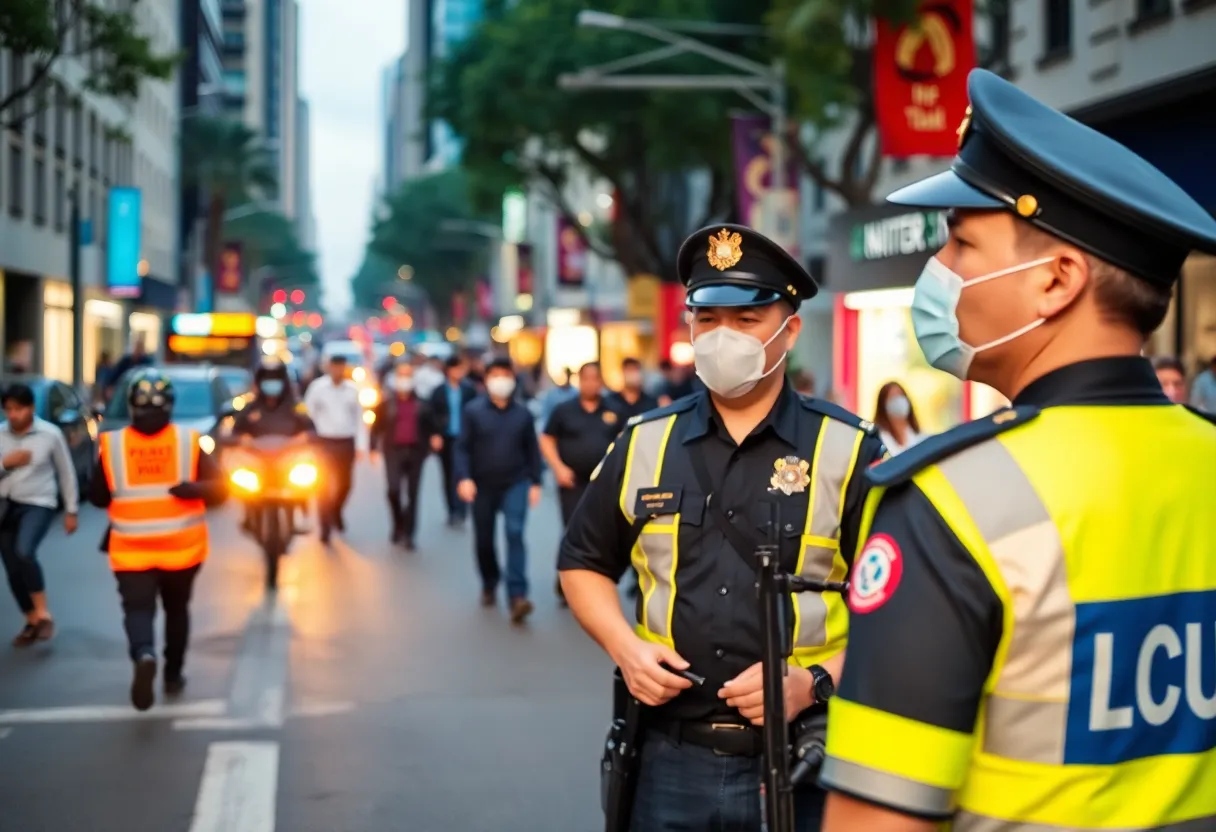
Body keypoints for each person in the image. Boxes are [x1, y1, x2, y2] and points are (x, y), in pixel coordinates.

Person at [819, 70, 1216, 832]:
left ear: (1057, 281)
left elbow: (875, 820)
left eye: (962, 242)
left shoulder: (951, 505)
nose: (940, 269)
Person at [559, 224, 887, 832]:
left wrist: (815, 683)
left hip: (805, 757)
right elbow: (583, 561)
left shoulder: (849, 450)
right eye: (707, 320)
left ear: (790, 331)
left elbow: (903, 605)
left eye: (746, 320)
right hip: (668, 758)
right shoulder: (644, 442)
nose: (722, 338)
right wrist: (625, 648)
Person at [89, 369, 227, 710]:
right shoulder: (189, 441)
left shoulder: (113, 445)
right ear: (170, 405)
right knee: (177, 610)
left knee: (138, 609)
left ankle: (144, 654)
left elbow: (97, 497)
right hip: (182, 548)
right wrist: (194, 489)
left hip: (131, 549)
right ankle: (173, 675)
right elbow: (222, 490)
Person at [455, 357, 543, 623]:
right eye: (495, 375)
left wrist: (536, 482)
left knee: (515, 533)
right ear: (486, 379)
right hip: (482, 485)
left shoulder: (523, 414)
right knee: (484, 539)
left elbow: (532, 450)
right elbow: (462, 448)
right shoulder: (473, 411)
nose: (501, 381)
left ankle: (517, 594)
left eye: (506, 375)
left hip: (516, 482)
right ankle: (489, 581)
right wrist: (464, 478)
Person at [0, 384, 79, 647]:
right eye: (8, 409)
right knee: (12, 568)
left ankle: (43, 612)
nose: (13, 415)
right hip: (5, 505)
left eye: (19, 409)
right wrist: (6, 463)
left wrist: (71, 510)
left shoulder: (50, 434)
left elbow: (66, 472)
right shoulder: (0, 434)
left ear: (31, 408)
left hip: (38, 503)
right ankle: (32, 620)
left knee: (25, 551)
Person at [540, 362, 619, 605]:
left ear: (601, 382)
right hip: (572, 482)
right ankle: (566, 579)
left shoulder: (613, 410)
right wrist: (558, 468)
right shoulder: (564, 410)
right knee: (573, 530)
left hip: (603, 484)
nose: (591, 383)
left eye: (595, 379)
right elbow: (546, 439)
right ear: (580, 381)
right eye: (586, 379)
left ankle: (592, 583)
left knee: (600, 534)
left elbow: (624, 441)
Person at [232, 357, 315, 532]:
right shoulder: (250, 409)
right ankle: (249, 516)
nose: (271, 383)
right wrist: (242, 440)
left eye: (275, 378)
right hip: (258, 463)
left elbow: (312, 430)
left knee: (306, 478)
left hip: (289, 461)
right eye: (267, 379)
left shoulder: (296, 408)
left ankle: (301, 515)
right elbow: (234, 433)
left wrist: (303, 438)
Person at [371, 361, 440, 550]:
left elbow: (432, 425)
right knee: (393, 489)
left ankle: (409, 534)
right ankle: (398, 523)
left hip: (416, 452)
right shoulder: (386, 403)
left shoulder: (423, 404)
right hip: (393, 451)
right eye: (401, 375)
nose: (404, 379)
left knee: (413, 494)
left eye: (408, 375)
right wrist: (372, 448)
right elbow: (376, 427)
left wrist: (435, 437)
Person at [304, 355, 362, 544]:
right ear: (329, 367)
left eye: (341, 367)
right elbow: (308, 415)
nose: (338, 370)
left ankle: (336, 510)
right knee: (323, 485)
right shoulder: (317, 388)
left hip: (346, 441)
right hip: (324, 442)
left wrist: (362, 445)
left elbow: (359, 419)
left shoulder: (352, 390)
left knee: (345, 484)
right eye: (334, 367)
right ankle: (325, 526)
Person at [429, 356, 477, 528]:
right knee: (448, 474)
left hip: (465, 437)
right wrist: (435, 434)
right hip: (447, 437)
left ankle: (462, 509)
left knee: (463, 473)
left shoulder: (469, 390)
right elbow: (432, 413)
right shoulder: (439, 391)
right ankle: (452, 510)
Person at [872, 381, 924, 454]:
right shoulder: (879, 438)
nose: (898, 400)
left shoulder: (918, 435)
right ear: (883, 405)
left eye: (900, 395)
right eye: (893, 397)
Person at [605, 357, 659, 423]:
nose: (633, 375)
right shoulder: (611, 401)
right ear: (623, 372)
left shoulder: (650, 402)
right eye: (630, 370)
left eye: (635, 370)